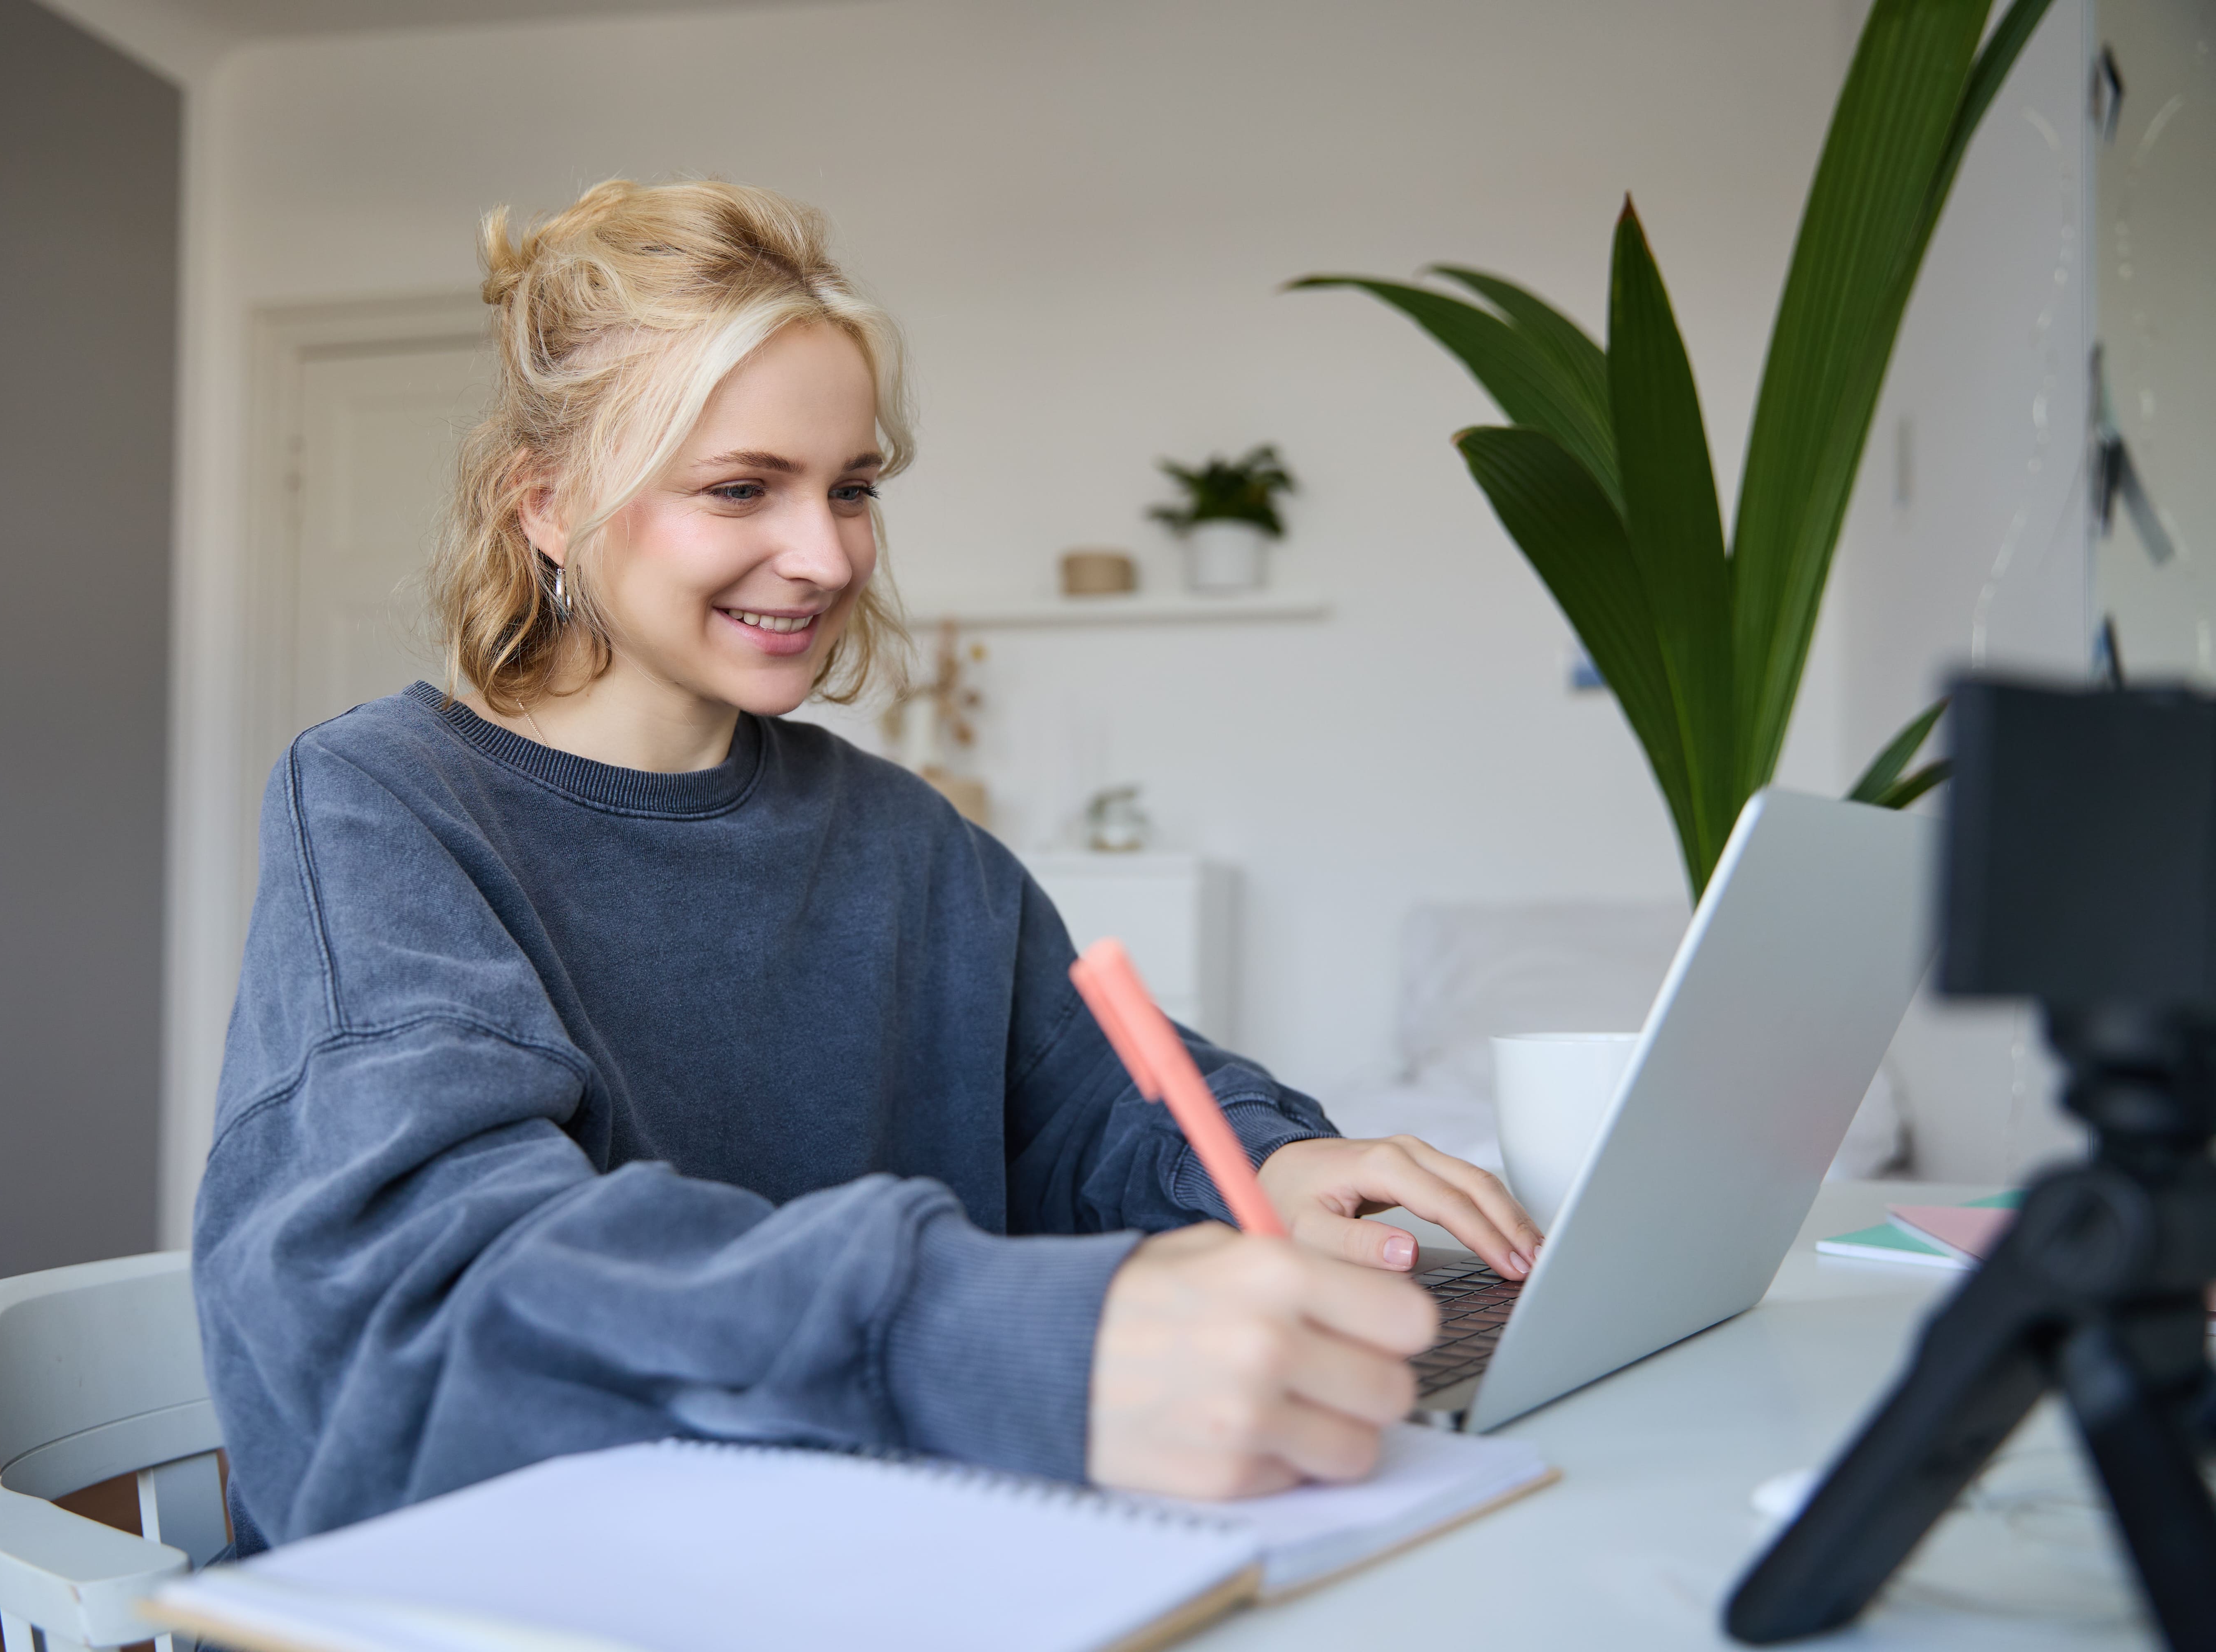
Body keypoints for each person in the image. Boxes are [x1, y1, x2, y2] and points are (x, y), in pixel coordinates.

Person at [195, 178, 1545, 1552]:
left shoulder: (907, 839)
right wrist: (970, 1333)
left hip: (858, 1551)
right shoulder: (385, 802)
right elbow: (438, 1276)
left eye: (853, 489)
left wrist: (1270, 1163)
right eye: (742, 489)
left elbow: (1098, 1105)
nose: (826, 553)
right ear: (546, 505)